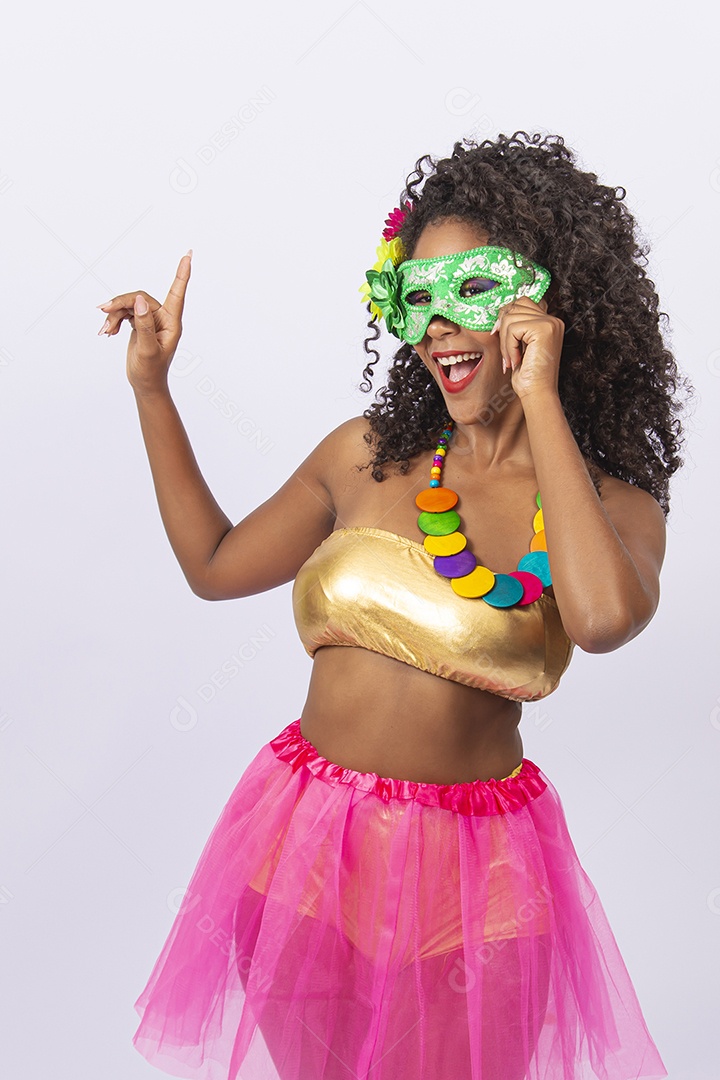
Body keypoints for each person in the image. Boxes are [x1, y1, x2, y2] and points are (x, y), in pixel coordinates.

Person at [102, 131, 687, 1079]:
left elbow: (605, 621)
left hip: (476, 875)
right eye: (417, 300)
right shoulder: (366, 454)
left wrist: (539, 395)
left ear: (550, 304)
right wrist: (152, 389)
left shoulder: (610, 504)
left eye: (473, 295)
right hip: (304, 844)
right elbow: (212, 564)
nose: (439, 329)